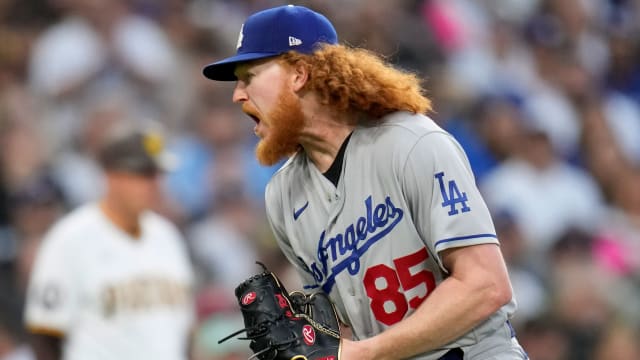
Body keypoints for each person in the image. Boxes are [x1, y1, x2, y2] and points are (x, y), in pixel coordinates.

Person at [202, 5, 527, 360]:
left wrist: (365, 352)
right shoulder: (283, 197)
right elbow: (339, 331)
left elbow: (485, 285)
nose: (237, 94)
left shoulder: (412, 143)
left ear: (298, 74)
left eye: (249, 76)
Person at [23, 122, 195, 360]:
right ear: (110, 175)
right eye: (144, 174)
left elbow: (185, 332)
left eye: (158, 175)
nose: (155, 185)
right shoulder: (69, 239)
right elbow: (45, 335)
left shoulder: (168, 236)